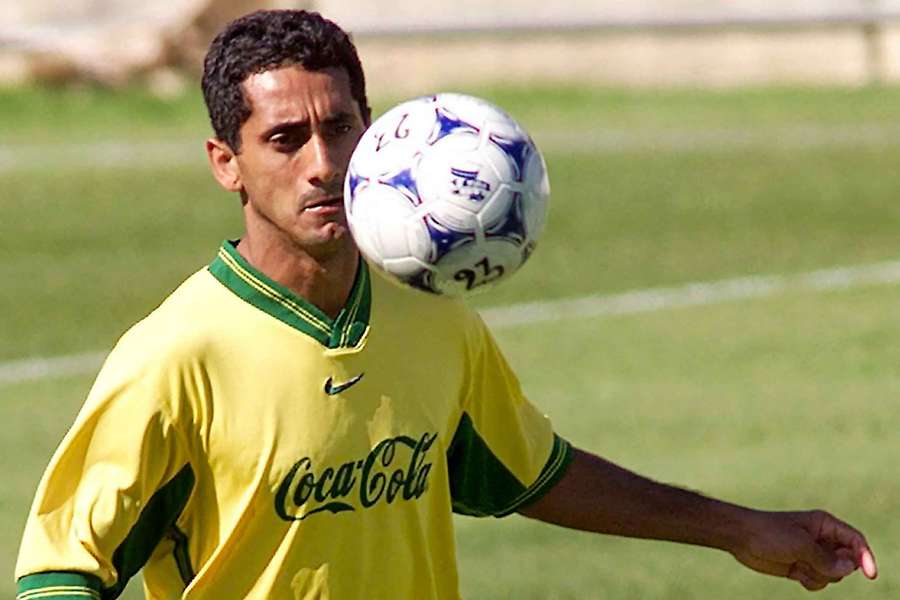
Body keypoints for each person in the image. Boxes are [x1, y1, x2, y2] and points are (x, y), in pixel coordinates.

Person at [15, 9, 878, 600]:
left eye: (340, 126)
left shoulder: (433, 317)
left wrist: (738, 529)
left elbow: (534, 473)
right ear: (225, 162)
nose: (321, 163)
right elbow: (61, 572)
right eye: (284, 139)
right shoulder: (176, 356)